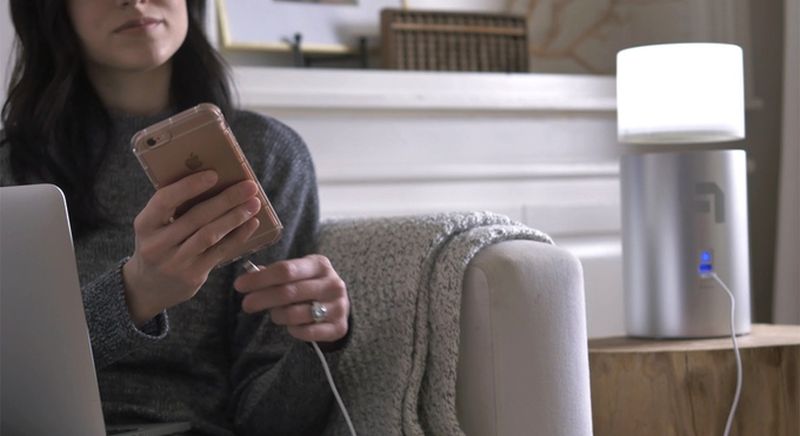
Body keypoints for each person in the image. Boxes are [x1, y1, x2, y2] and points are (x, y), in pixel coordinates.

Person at [0, 0, 351, 434]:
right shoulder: (9, 170)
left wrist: (318, 341)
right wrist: (135, 294)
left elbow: (274, 424)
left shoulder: (268, 155)